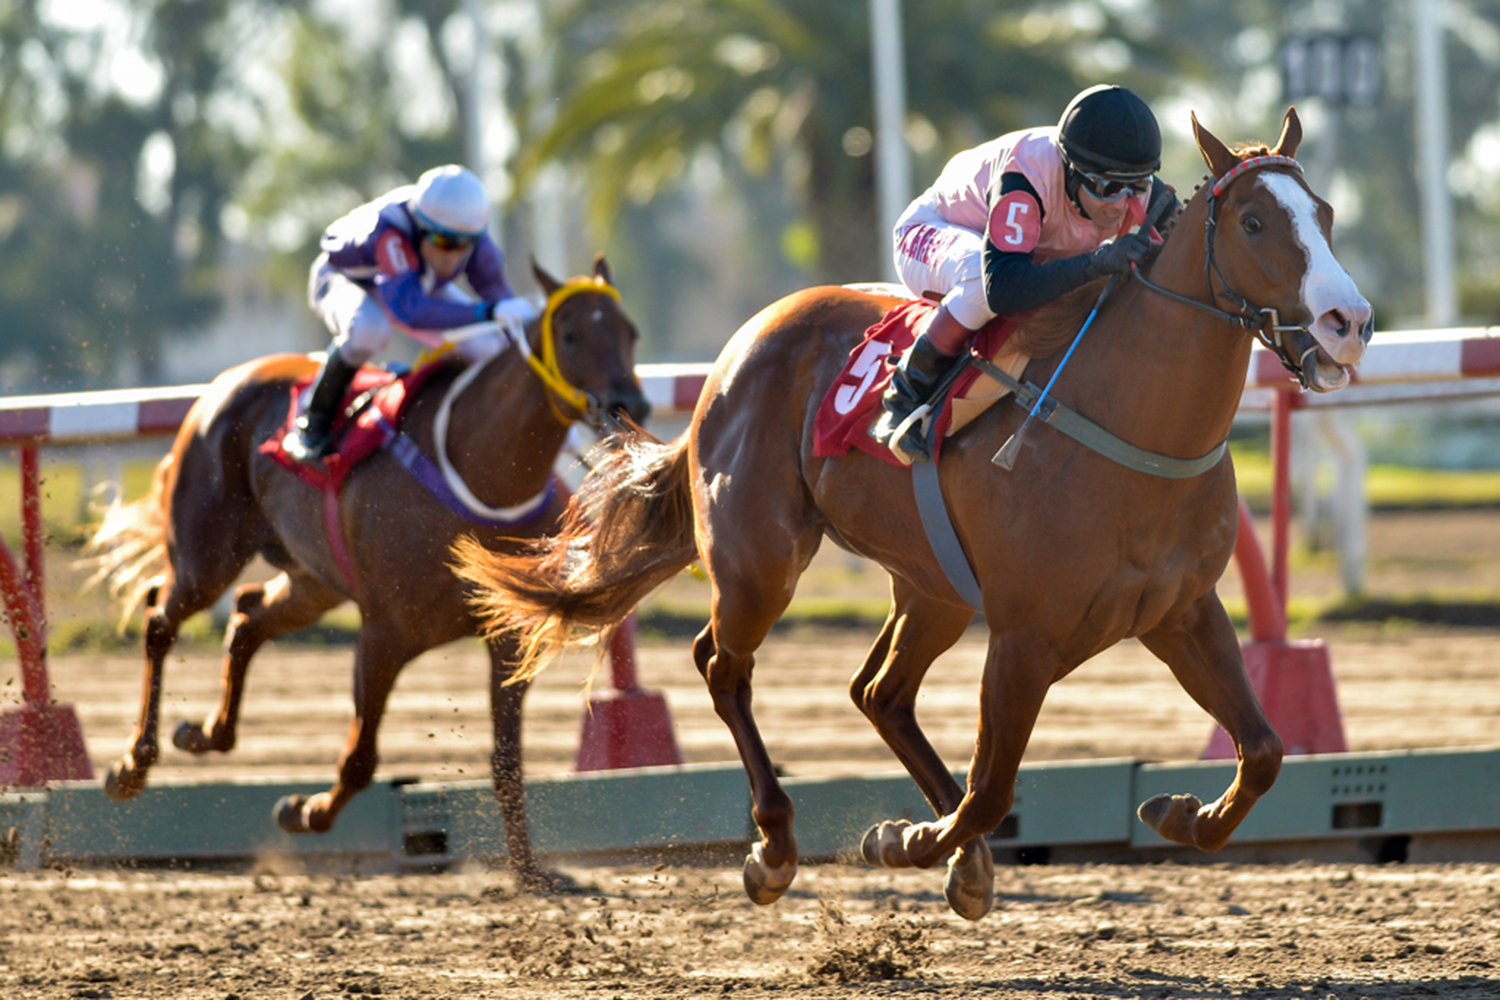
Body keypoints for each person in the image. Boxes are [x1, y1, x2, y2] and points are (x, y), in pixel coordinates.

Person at [872, 84, 1178, 464]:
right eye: (1108, 187)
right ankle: (905, 394)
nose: (1121, 204)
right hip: (932, 233)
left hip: (1017, 255)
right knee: (978, 277)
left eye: (1137, 185)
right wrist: (1097, 262)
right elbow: (1003, 290)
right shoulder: (1026, 176)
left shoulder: (1139, 188)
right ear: (1071, 171)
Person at [285, 164, 540, 463]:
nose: (454, 255)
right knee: (370, 330)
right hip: (343, 279)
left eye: (465, 245)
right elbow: (409, 309)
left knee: (488, 346)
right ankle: (313, 418)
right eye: (444, 242)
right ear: (421, 228)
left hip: (409, 284)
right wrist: (491, 312)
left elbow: (501, 302)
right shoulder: (392, 232)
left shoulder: (469, 234)